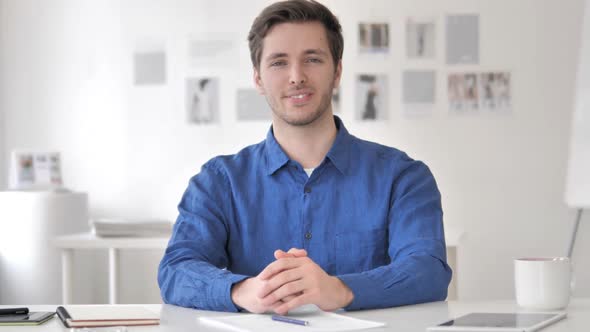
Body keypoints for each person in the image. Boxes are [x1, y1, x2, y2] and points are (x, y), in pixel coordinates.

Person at [158, 0, 451, 315]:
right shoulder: (217, 181)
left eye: (312, 59)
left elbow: (428, 271)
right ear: (258, 78)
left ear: (336, 72)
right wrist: (243, 290)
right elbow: (176, 270)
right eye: (279, 62)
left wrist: (337, 289)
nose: (296, 76)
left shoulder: (403, 177)